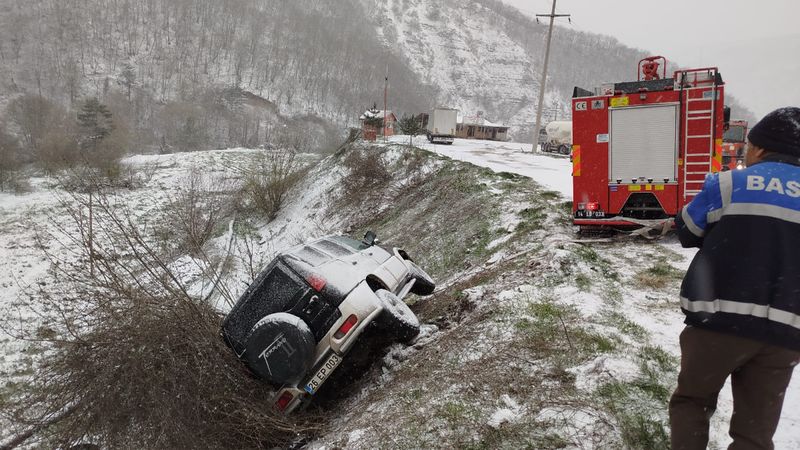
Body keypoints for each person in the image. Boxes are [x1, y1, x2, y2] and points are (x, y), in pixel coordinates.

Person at [670, 106, 800, 450]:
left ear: (760, 148)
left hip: (717, 320)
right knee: (755, 432)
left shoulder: (729, 183)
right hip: (785, 334)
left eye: (749, 145)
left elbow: (688, 229)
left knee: (693, 401)